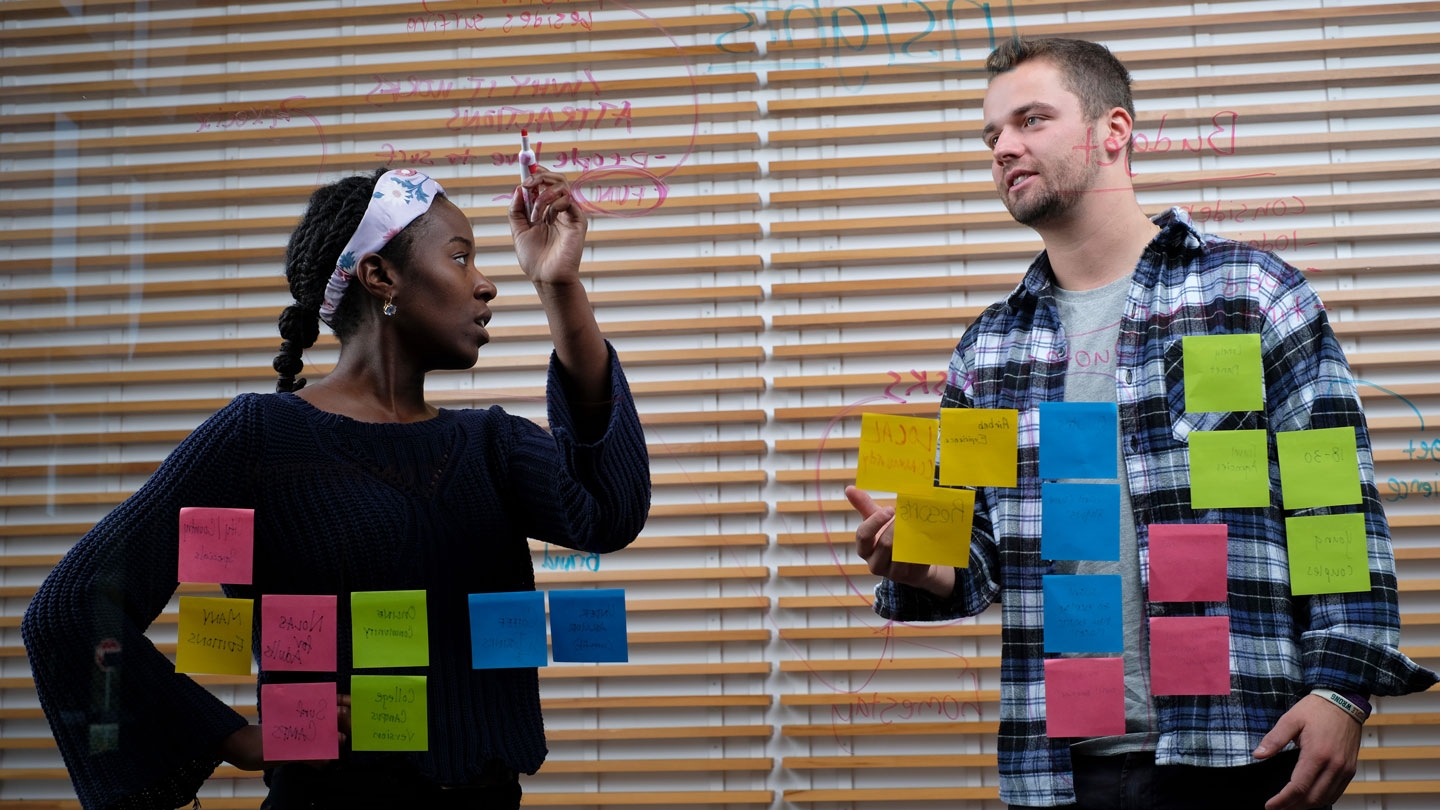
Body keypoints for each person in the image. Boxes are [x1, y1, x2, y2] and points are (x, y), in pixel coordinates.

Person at [846, 37, 1436, 810]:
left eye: (1031, 120)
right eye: (992, 135)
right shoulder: (988, 350)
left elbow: (1332, 504)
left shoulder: (1250, 293)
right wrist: (923, 565)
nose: (1004, 148)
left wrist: (1344, 692)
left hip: (1243, 748)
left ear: (1113, 130)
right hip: (1062, 765)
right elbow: (979, 556)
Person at [23, 166, 652, 810]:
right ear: (380, 276)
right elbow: (73, 609)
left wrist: (560, 285)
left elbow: (609, 512)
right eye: (461, 258)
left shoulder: (491, 445)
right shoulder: (261, 437)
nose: (486, 284)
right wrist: (230, 736)